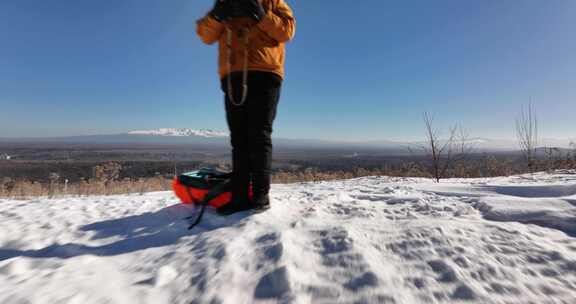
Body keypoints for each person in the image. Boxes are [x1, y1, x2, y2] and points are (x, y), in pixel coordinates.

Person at [196, 0, 295, 215]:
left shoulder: (273, 1)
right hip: (233, 75)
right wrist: (217, 16)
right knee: (239, 139)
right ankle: (239, 197)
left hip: (266, 73)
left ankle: (261, 196)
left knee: (259, 135)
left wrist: (262, 16)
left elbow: (287, 31)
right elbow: (205, 35)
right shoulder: (223, 2)